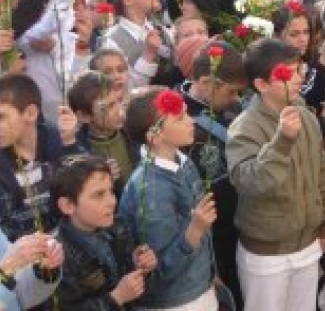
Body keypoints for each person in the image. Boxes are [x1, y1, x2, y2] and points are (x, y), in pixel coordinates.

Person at [226, 38, 325, 311]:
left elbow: (321, 172)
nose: (298, 78)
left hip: (307, 245)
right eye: (286, 74)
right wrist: (282, 141)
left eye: (298, 69)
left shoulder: (306, 116)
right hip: (267, 254)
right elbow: (250, 182)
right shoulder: (245, 127)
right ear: (261, 85)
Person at [118, 87, 218, 310]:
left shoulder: (184, 161)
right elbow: (160, 270)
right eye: (180, 117)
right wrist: (195, 231)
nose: (191, 121)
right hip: (175, 302)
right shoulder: (150, 189)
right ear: (155, 136)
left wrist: (212, 272)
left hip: (199, 286)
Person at [179, 41, 248, 308]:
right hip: (211, 235)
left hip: (240, 224)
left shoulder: (233, 108)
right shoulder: (180, 121)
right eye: (231, 92)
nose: (235, 99)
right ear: (207, 82)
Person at [52, 154, 159, 309]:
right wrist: (116, 298)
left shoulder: (118, 226)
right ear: (68, 205)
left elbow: (141, 292)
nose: (112, 201)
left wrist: (142, 269)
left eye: (111, 191)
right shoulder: (56, 257)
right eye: (99, 195)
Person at [0, 74, 80, 242]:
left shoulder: (54, 139)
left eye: (0, 117)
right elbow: (6, 228)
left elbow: (82, 189)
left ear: (30, 113)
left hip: (72, 248)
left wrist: (70, 142)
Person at [68, 71, 139, 192]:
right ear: (84, 116)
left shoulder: (134, 131)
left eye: (119, 101)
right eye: (109, 106)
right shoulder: (78, 153)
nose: (119, 110)